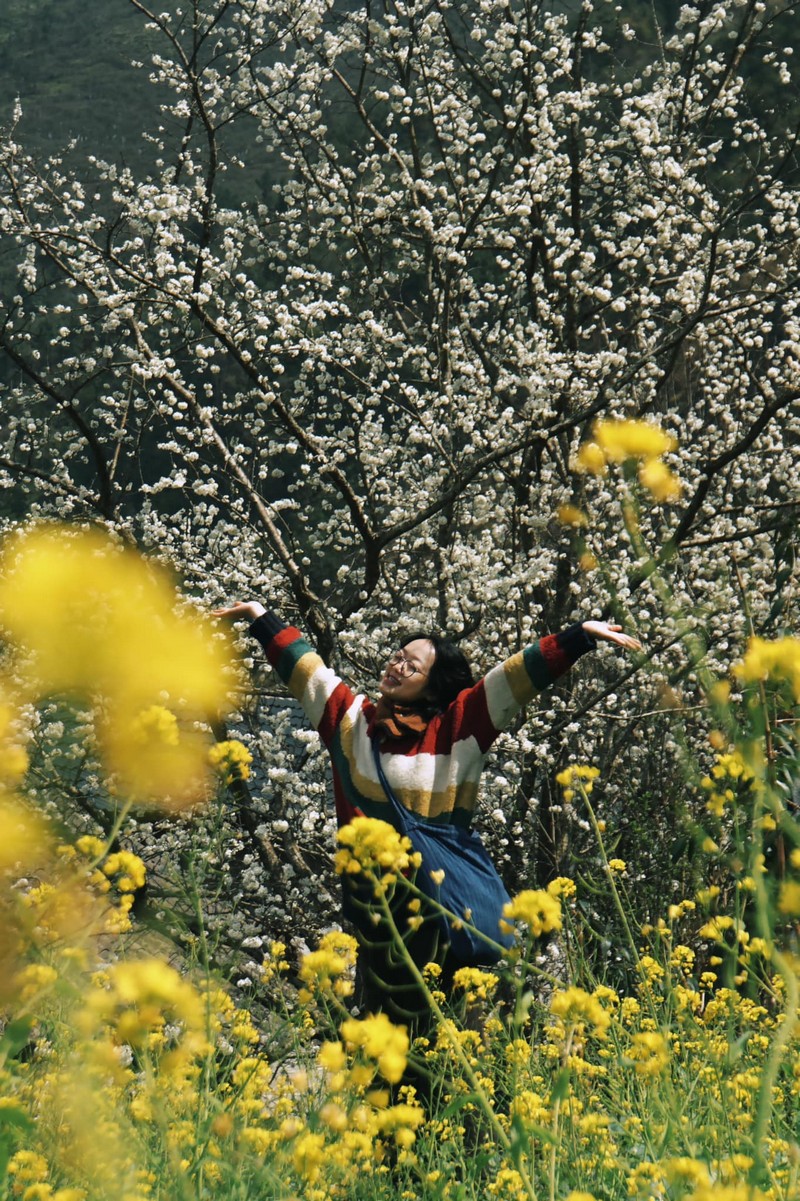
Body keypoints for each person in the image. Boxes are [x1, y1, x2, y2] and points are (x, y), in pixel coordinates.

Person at [215, 600, 641, 1026]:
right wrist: (260, 617)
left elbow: (511, 679)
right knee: (390, 1036)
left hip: (447, 910)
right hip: (379, 914)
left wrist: (578, 637)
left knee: (457, 1030)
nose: (397, 666)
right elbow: (309, 672)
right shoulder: (353, 725)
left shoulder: (458, 729)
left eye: (411, 666)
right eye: (397, 657)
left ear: (433, 686)